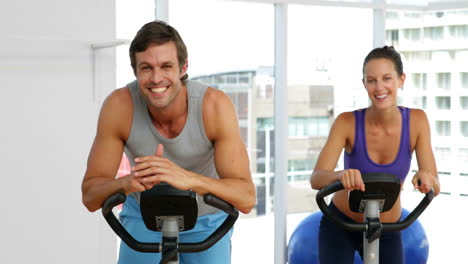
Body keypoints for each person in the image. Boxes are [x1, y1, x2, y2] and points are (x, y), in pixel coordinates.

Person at [81, 20, 256, 264]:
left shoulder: (214, 106)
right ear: (135, 71)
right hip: (144, 214)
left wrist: (189, 179)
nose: (156, 78)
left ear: (183, 67)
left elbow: (246, 198)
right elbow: (90, 196)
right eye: (146, 68)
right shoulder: (119, 106)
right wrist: (127, 183)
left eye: (166, 66)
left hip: (206, 218)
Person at [310, 46, 440, 264]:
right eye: (371, 80)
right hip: (341, 223)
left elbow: (435, 185)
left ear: (401, 80)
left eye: (387, 78)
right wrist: (340, 176)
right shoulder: (347, 122)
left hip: (388, 227)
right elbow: (316, 178)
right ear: (364, 84)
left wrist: (427, 178)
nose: (379, 87)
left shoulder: (417, 121)